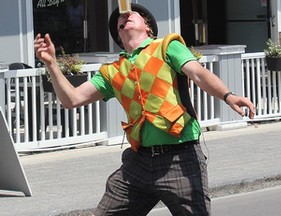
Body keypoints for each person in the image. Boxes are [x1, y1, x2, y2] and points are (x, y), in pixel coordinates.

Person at [34, 3, 255, 216]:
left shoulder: (166, 47)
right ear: (119, 35)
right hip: (138, 163)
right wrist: (51, 64)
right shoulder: (112, 71)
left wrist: (228, 96)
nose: (124, 16)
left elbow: (198, 74)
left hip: (179, 157)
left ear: (147, 26)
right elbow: (71, 99)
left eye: (132, 14)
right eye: (120, 19)